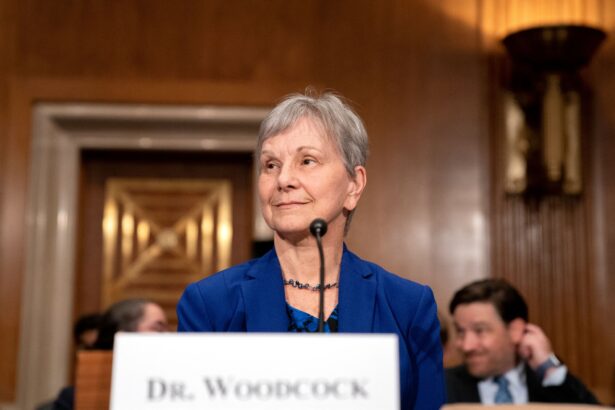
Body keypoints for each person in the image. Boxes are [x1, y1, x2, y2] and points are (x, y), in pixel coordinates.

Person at [177, 90, 445, 409]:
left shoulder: (408, 305)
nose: (284, 179)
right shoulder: (210, 304)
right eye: (270, 165)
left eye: (307, 161)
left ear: (354, 185)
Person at [445, 278, 599, 404]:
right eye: (460, 331)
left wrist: (549, 367)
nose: (466, 345)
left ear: (515, 331)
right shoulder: (443, 385)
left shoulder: (548, 383)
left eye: (480, 331)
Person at [52, 299, 168, 410]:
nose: (168, 336)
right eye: (157, 328)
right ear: (124, 336)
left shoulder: (172, 392)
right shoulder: (73, 399)